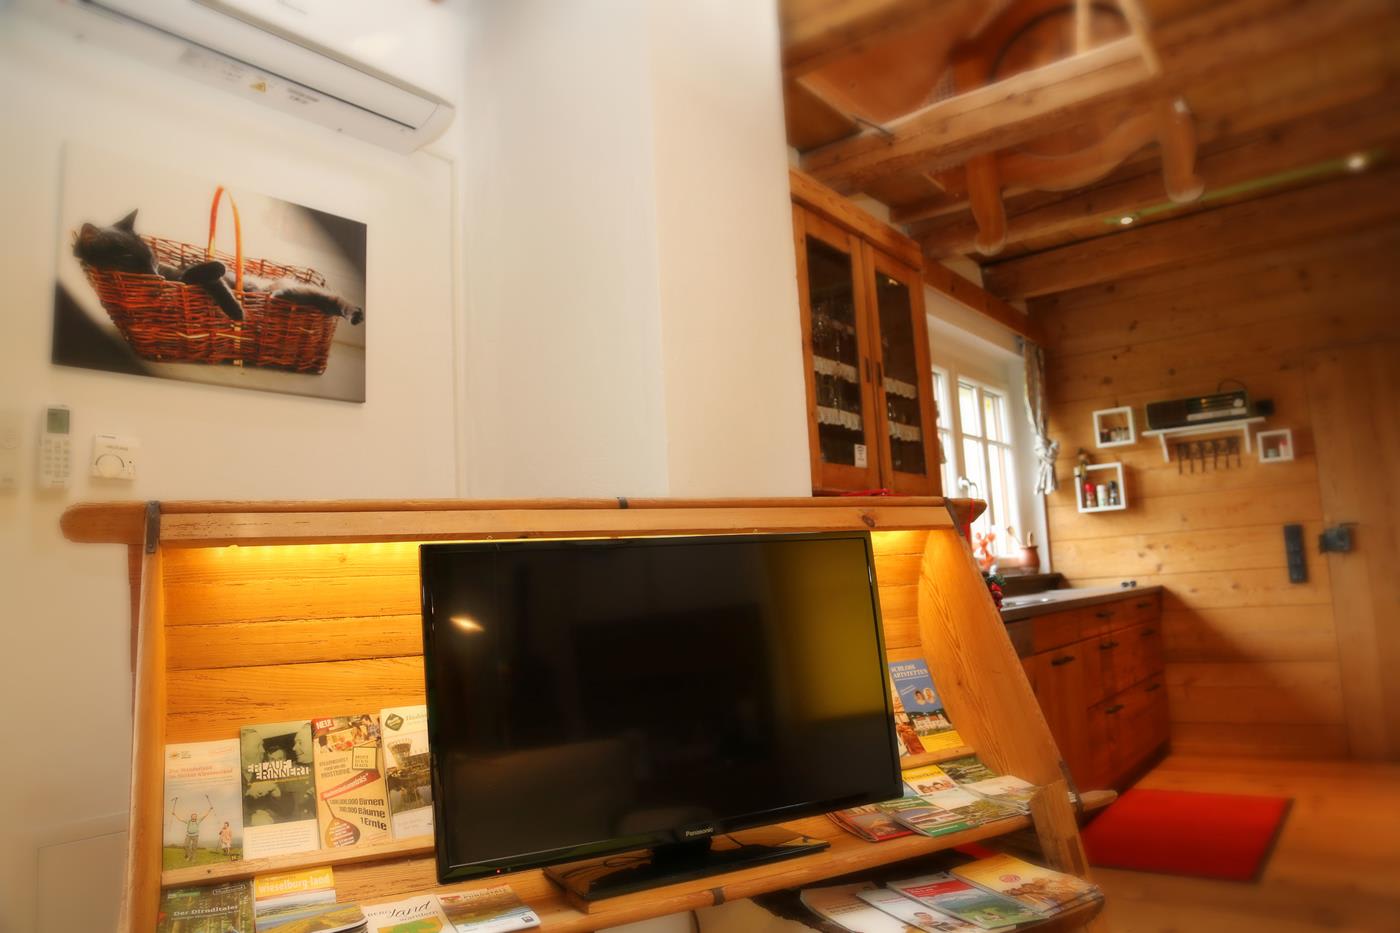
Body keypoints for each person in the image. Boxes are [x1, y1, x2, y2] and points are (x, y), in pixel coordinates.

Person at [171, 798, 214, 862]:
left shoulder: (198, 821)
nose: (194, 817)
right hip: (188, 835)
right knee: (185, 845)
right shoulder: (188, 821)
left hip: (195, 835)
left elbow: (205, 816)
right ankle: (188, 855)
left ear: (196, 817)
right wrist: (175, 815)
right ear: (191, 817)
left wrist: (210, 809)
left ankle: (193, 858)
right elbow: (180, 819)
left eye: (195, 816)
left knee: (194, 847)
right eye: (193, 816)